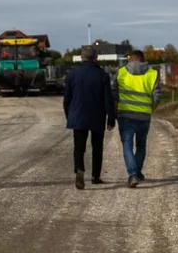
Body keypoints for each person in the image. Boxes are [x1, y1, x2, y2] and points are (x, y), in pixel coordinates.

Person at [63, 45, 116, 190]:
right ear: (96, 58)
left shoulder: (72, 74)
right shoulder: (102, 75)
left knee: (79, 147)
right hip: (97, 117)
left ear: (82, 57)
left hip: (78, 117)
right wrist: (111, 119)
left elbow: (67, 99)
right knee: (97, 147)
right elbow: (108, 100)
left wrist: (70, 116)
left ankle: (79, 169)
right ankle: (95, 176)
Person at [114, 50, 162, 187]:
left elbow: (114, 93)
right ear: (142, 59)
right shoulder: (153, 74)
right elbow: (157, 96)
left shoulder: (121, 72)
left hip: (125, 115)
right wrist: (151, 109)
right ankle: (137, 173)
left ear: (131, 60)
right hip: (144, 116)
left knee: (127, 145)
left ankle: (133, 174)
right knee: (141, 146)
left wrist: (115, 109)